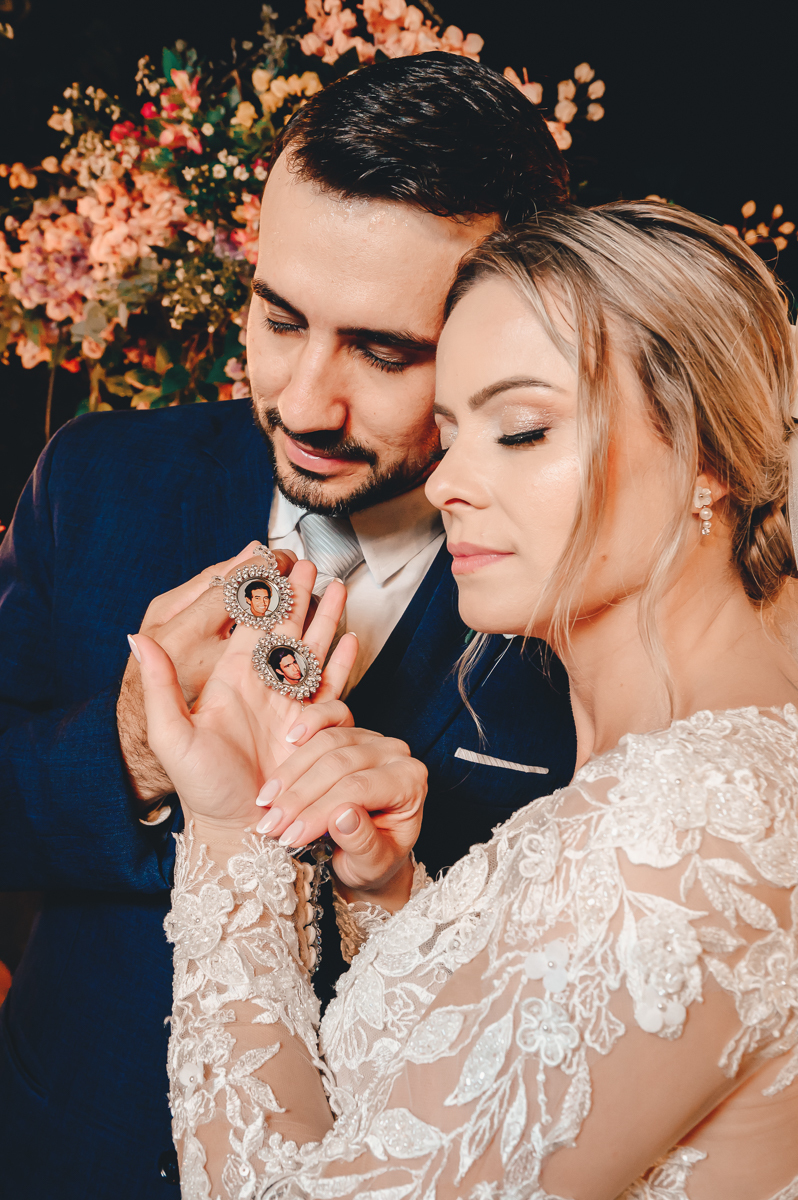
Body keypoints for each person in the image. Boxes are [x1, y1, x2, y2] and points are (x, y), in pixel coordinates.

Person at [136, 202, 798, 1199]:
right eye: (450, 433)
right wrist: (392, 904)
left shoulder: (684, 833)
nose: (447, 483)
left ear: (704, 452)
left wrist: (234, 838)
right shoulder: (702, 770)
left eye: (521, 430)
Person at [0, 55, 576, 1199]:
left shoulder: (576, 589)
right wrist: (128, 742)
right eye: (278, 317)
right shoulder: (97, 479)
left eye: (383, 351)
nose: (306, 401)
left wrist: (391, 882)